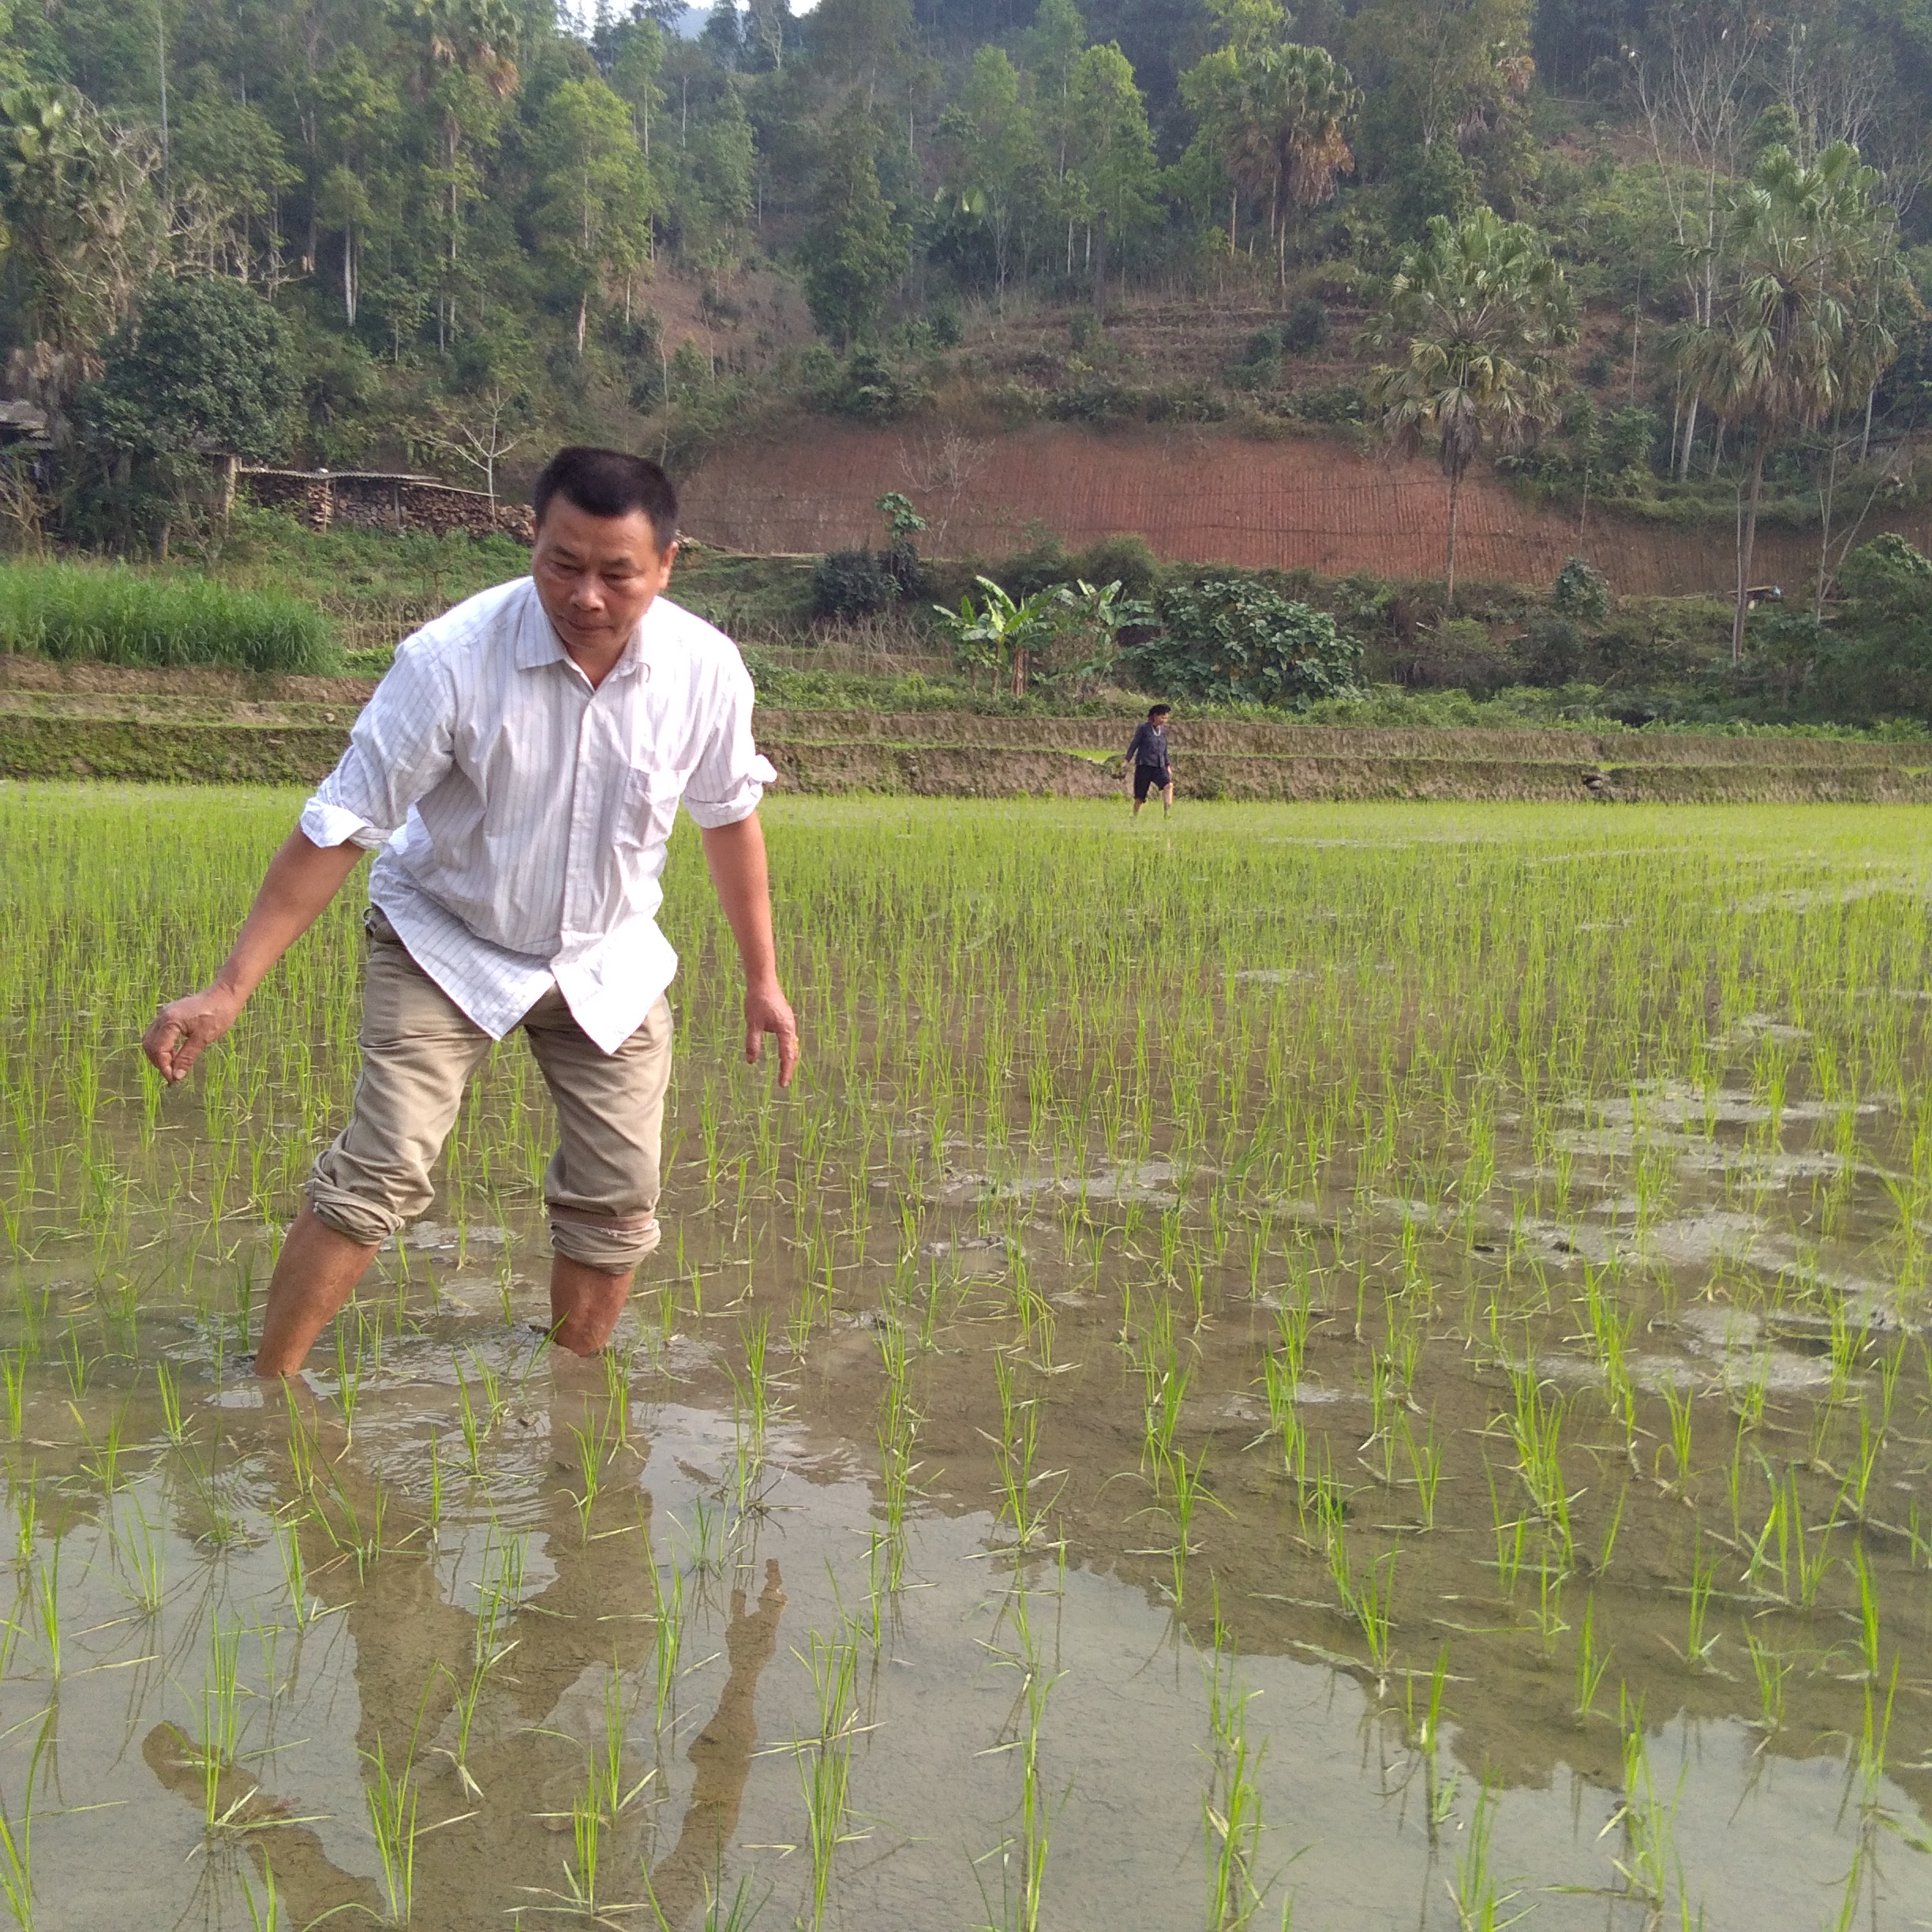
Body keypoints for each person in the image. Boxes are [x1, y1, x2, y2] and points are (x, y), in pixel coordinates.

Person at [140, 446, 799, 1376]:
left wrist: (764, 980)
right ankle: (270, 1392)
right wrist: (229, 987)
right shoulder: (450, 659)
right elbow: (341, 826)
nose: (586, 597)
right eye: (563, 563)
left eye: (617, 573)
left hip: (604, 958)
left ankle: (567, 1396)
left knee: (618, 1199)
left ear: (667, 563)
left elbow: (729, 818)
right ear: (532, 538)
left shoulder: (707, 670)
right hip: (444, 942)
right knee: (382, 1169)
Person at [1123, 702, 1174, 818]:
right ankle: (1134, 817)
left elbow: (1165, 749)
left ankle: (1167, 813)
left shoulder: (1163, 731)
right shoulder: (1144, 728)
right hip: (1144, 766)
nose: (1164, 720)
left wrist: (1167, 765)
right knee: (1140, 798)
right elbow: (1134, 744)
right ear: (1155, 716)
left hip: (1159, 766)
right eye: (1162, 718)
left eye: (1166, 718)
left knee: (1168, 785)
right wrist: (1127, 760)